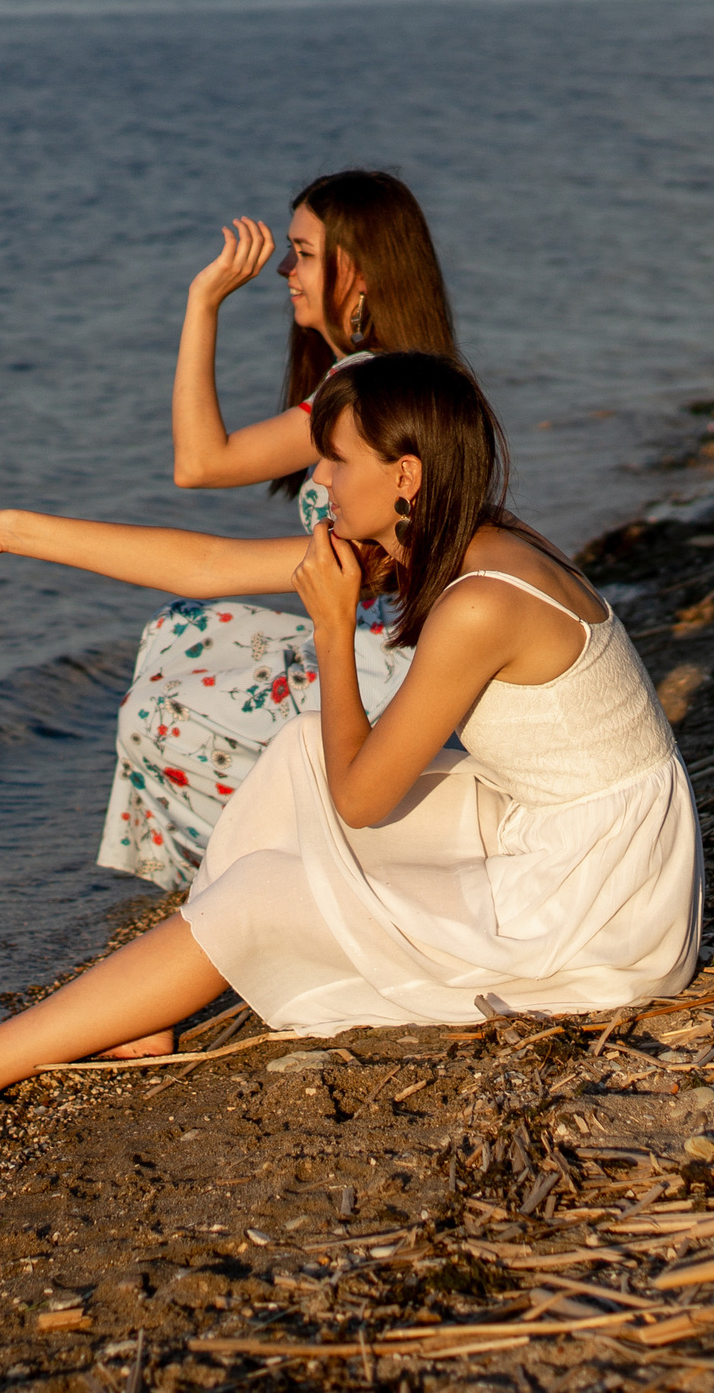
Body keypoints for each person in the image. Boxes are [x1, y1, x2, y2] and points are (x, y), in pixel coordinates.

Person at [0, 353, 698, 1110]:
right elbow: (204, 564)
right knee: (295, 753)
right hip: (559, 827)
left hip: (599, 899)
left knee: (264, 893)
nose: (318, 481)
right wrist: (13, 532)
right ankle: (151, 1006)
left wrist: (332, 630)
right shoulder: (454, 537)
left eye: (336, 460)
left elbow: (359, 802)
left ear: (405, 475)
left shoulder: (481, 600)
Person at [105, 171, 466, 891]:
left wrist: (202, 303)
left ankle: (254, 875)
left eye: (301, 253)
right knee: (181, 634)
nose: (284, 270)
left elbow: (199, 464)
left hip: (380, 661)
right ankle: (245, 869)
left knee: (159, 705)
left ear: (354, 271)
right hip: (379, 635)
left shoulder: (366, 387)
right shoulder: (389, 375)